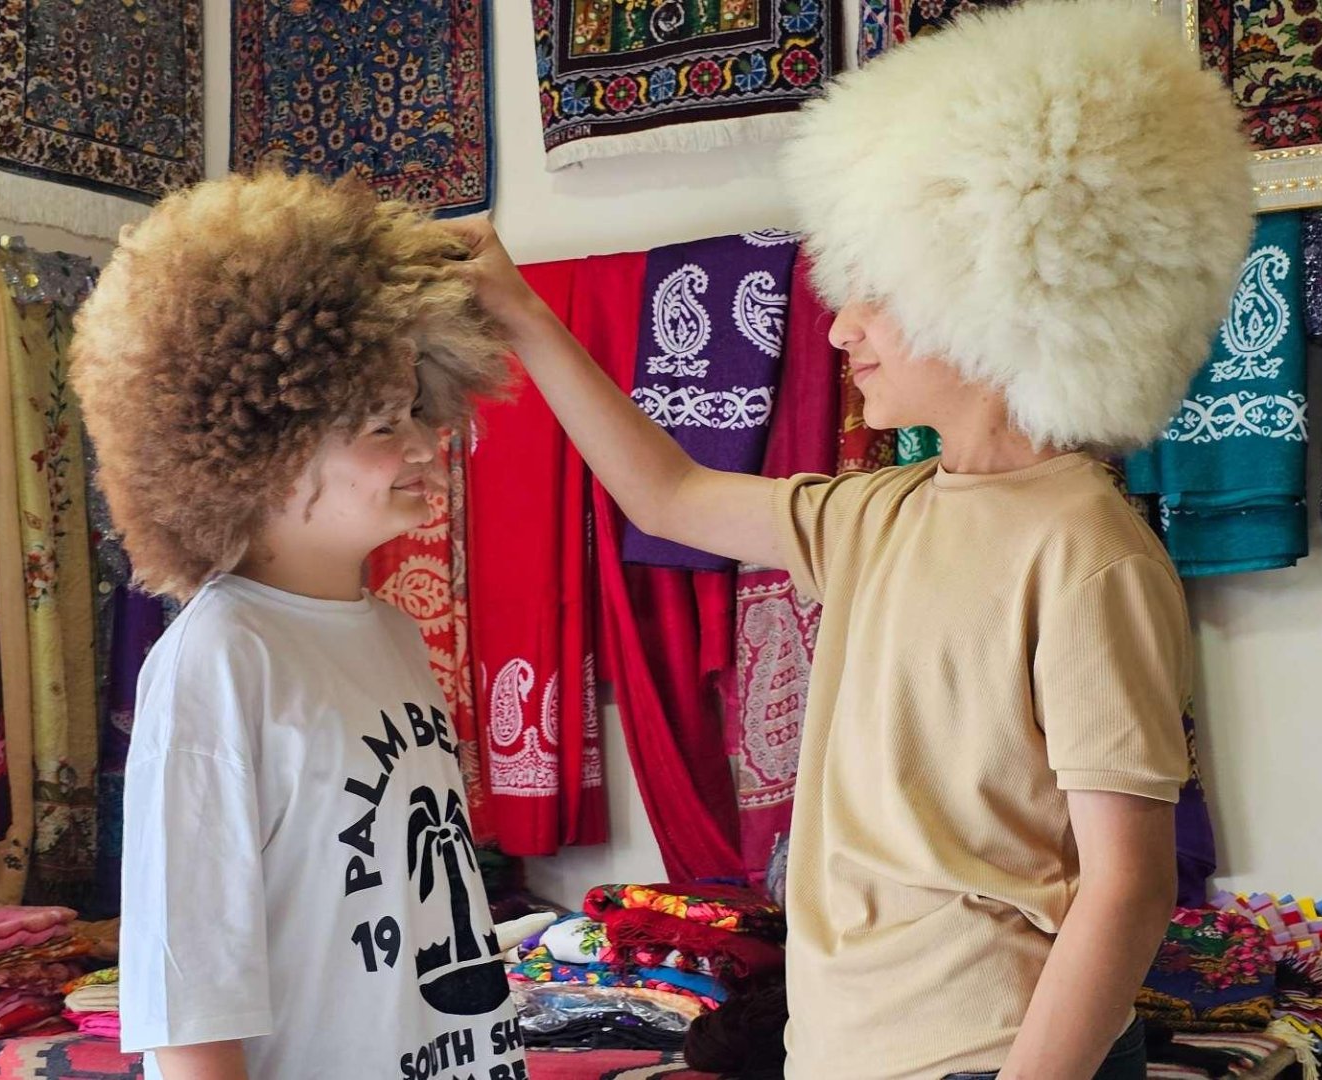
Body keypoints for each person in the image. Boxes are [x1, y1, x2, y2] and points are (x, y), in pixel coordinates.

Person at [449, 2, 1254, 1078]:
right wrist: (524, 316)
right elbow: (670, 496)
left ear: (993, 291)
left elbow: (1129, 885)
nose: (838, 327)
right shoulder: (876, 513)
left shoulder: (1085, 550)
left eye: (875, 293)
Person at [73, 172, 526, 1080]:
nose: (424, 445)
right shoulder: (218, 660)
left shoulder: (392, 636)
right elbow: (188, 1005)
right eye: (380, 425)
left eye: (417, 412)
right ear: (262, 452)